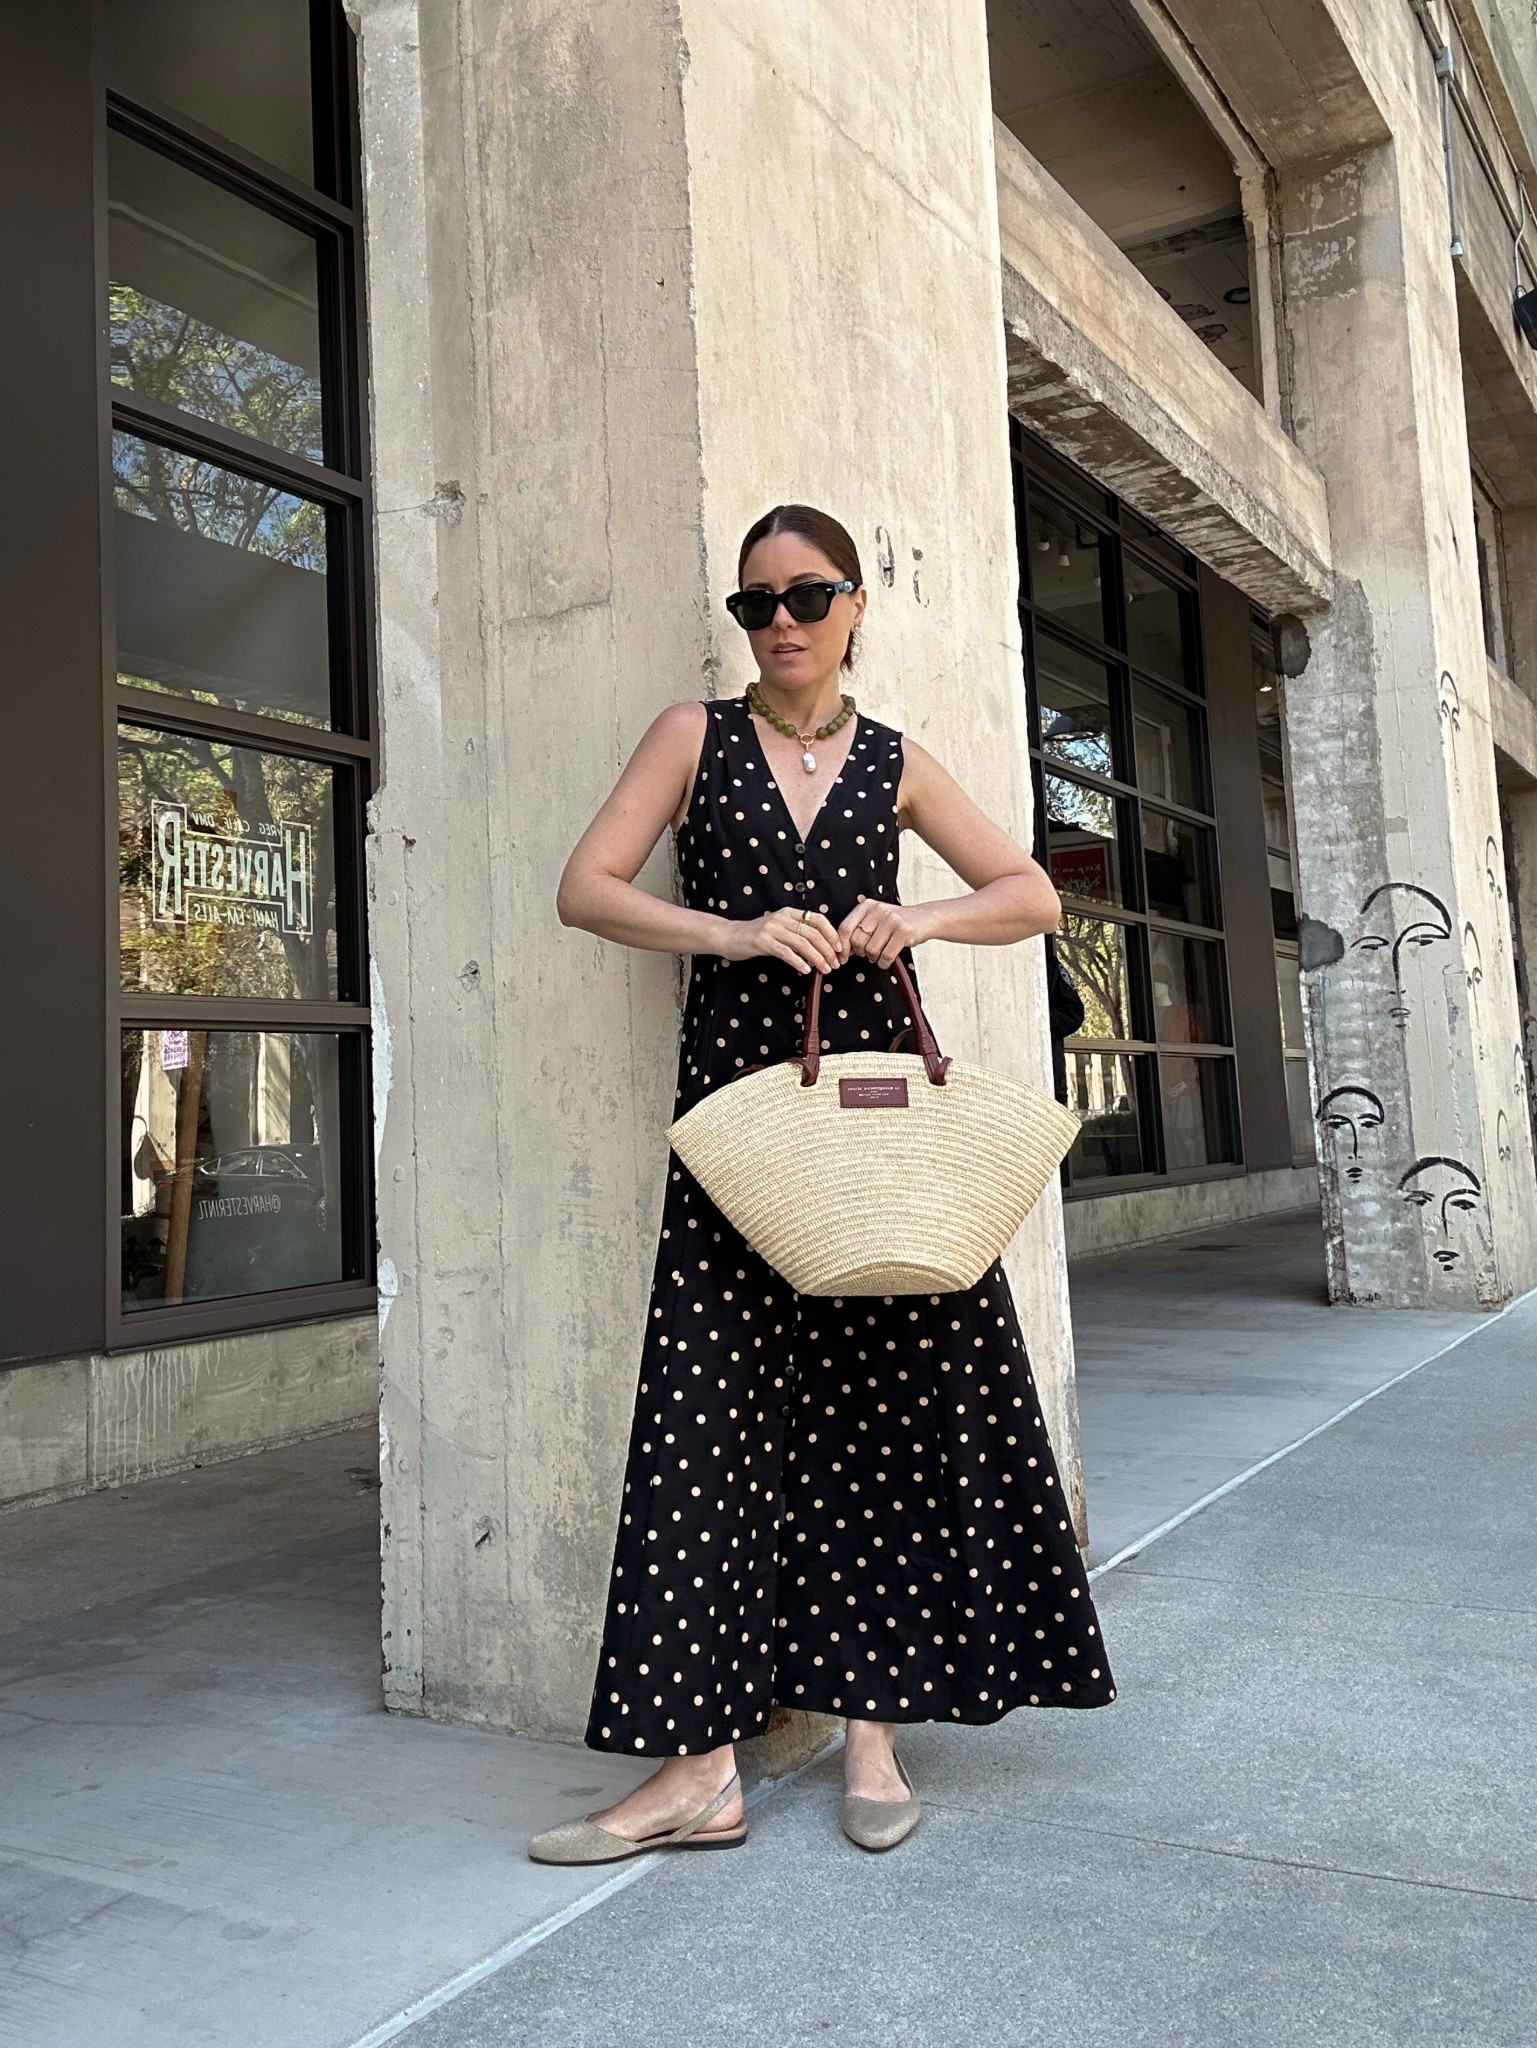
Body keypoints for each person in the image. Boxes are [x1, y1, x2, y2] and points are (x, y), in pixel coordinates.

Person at [533, 504, 1115, 1864]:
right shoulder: (694, 738)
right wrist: (733, 931)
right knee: (706, 1429)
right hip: (742, 1125)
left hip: (876, 1139)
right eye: (755, 605)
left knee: (888, 1424)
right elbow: (585, 887)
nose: (780, 623)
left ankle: (873, 1736)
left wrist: (911, 917)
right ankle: (698, 1773)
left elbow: (1029, 893)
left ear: (855, 607)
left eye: (807, 596)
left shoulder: (897, 760)